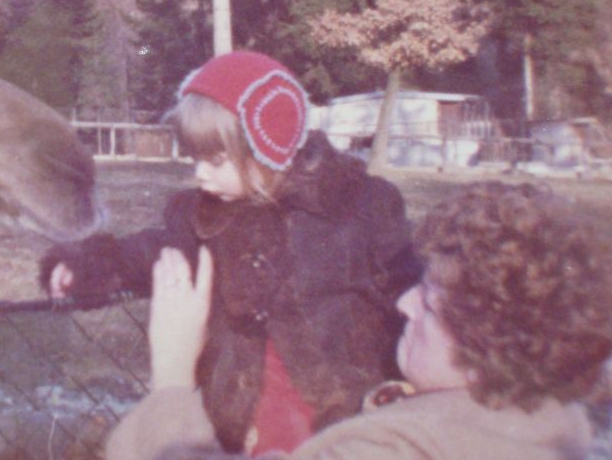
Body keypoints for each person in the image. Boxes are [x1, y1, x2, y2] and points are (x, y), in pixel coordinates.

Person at [40, 50, 420, 454]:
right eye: (195, 158)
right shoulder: (201, 216)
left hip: (339, 407)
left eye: (216, 160)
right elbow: (154, 251)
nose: (199, 174)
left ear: (268, 146)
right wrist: (94, 264)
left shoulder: (359, 206)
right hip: (241, 405)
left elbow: (406, 288)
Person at [107, 181, 612, 460]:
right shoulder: (551, 423)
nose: (404, 304)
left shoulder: (387, 450)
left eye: (430, 304)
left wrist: (172, 378)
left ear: (488, 359)